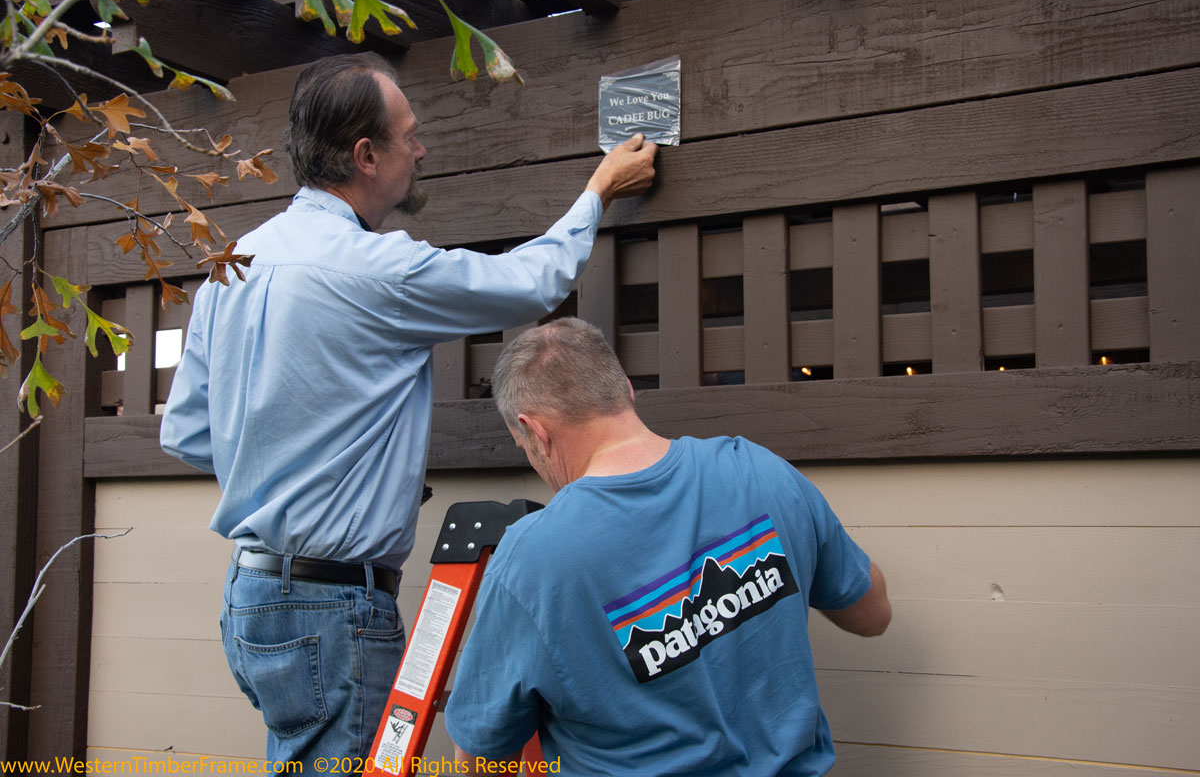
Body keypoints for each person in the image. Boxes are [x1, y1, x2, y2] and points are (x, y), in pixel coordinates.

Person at [159, 53, 657, 767]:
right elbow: (529, 281)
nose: (419, 150)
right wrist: (600, 191)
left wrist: (289, 462)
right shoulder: (372, 268)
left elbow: (187, 435)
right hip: (330, 610)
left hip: (253, 596)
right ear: (366, 154)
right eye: (409, 136)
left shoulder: (235, 263)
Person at [444, 318, 891, 775]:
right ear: (627, 393)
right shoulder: (759, 468)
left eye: (524, 445)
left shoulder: (532, 559)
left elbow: (481, 758)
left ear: (534, 431)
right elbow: (873, 615)